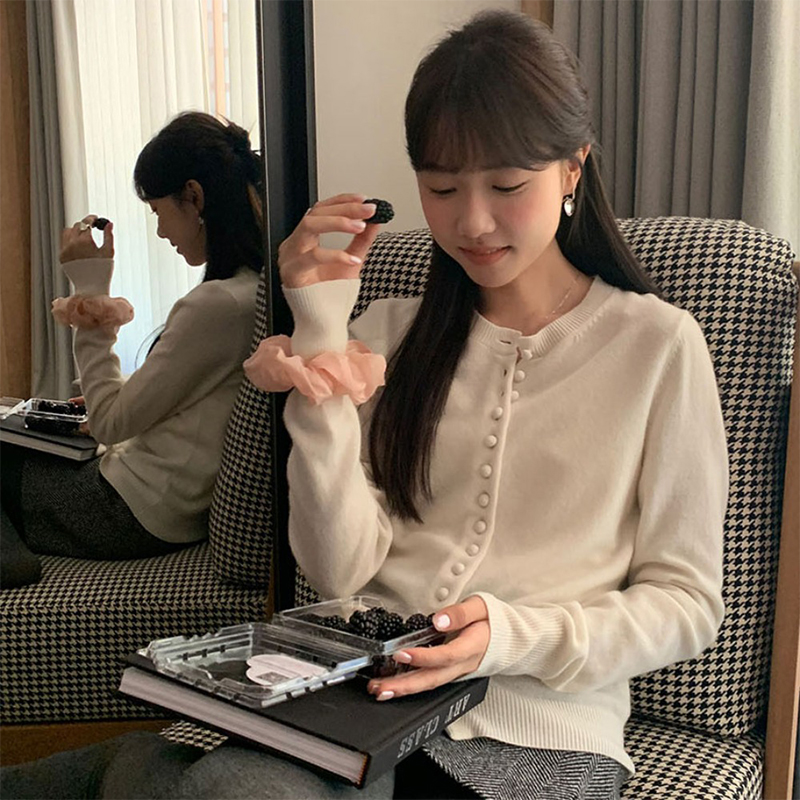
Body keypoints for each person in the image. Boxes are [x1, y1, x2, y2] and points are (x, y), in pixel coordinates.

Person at [0, 10, 727, 800]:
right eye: (441, 188)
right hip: (351, 697)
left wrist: (513, 634)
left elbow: (687, 604)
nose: (472, 221)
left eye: (507, 186)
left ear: (573, 169)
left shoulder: (659, 346)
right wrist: (318, 327)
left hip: (539, 733)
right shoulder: (386, 335)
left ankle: (134, 774)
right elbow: (337, 567)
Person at [0, 112, 263, 589]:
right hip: (160, 504)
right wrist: (118, 396)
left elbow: (110, 423)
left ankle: (11, 564)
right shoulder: (251, 293)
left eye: (159, 212)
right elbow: (185, 404)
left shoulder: (217, 305)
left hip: (125, 512)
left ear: (194, 197)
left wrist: (89, 286)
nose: (161, 232)